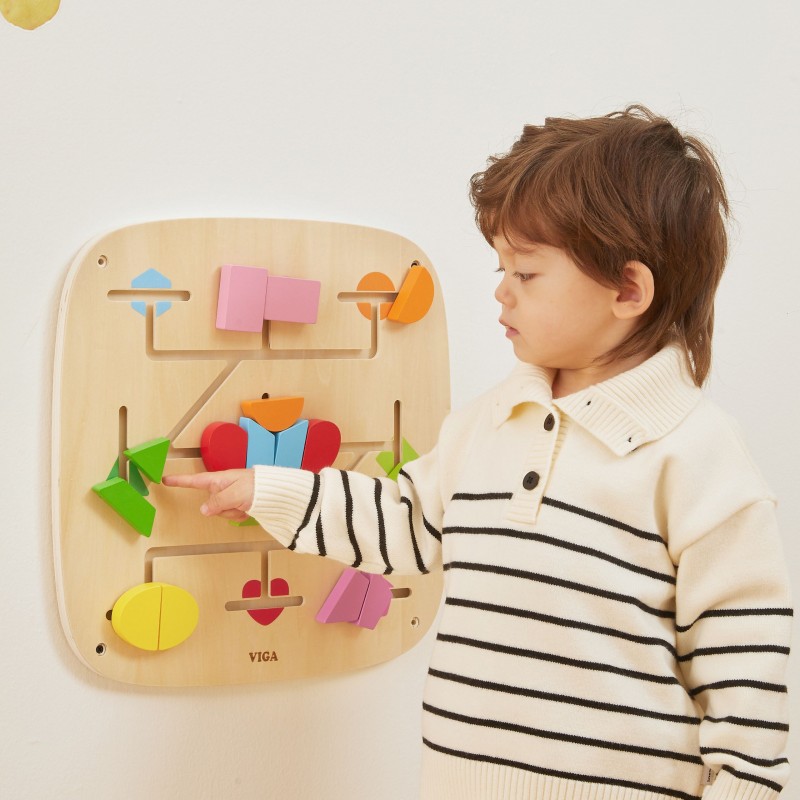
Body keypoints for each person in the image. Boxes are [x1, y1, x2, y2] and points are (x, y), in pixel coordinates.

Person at [164, 105, 792, 799]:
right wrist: (271, 490)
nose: (500, 291)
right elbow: (405, 522)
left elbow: (745, 667)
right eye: (501, 267)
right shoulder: (490, 422)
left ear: (626, 289)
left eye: (526, 273)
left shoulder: (698, 458)